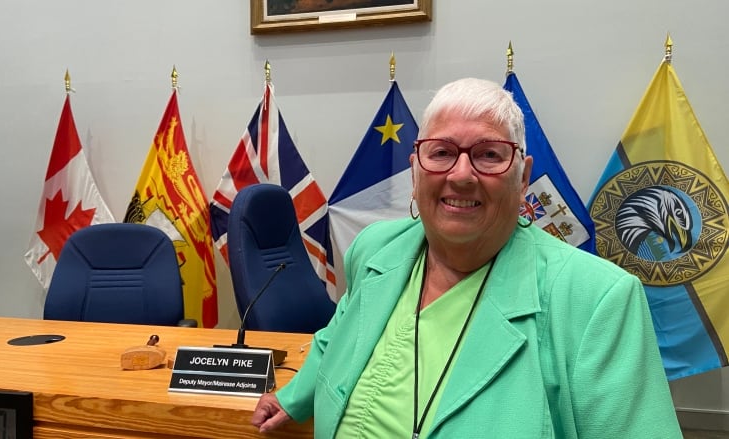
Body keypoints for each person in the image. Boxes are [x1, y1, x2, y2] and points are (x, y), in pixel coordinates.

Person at [251, 77, 682, 438]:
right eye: (441, 153)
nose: (460, 175)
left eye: (488, 155)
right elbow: (340, 335)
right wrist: (295, 395)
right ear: (416, 170)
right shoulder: (375, 248)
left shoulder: (598, 299)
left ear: (523, 176)